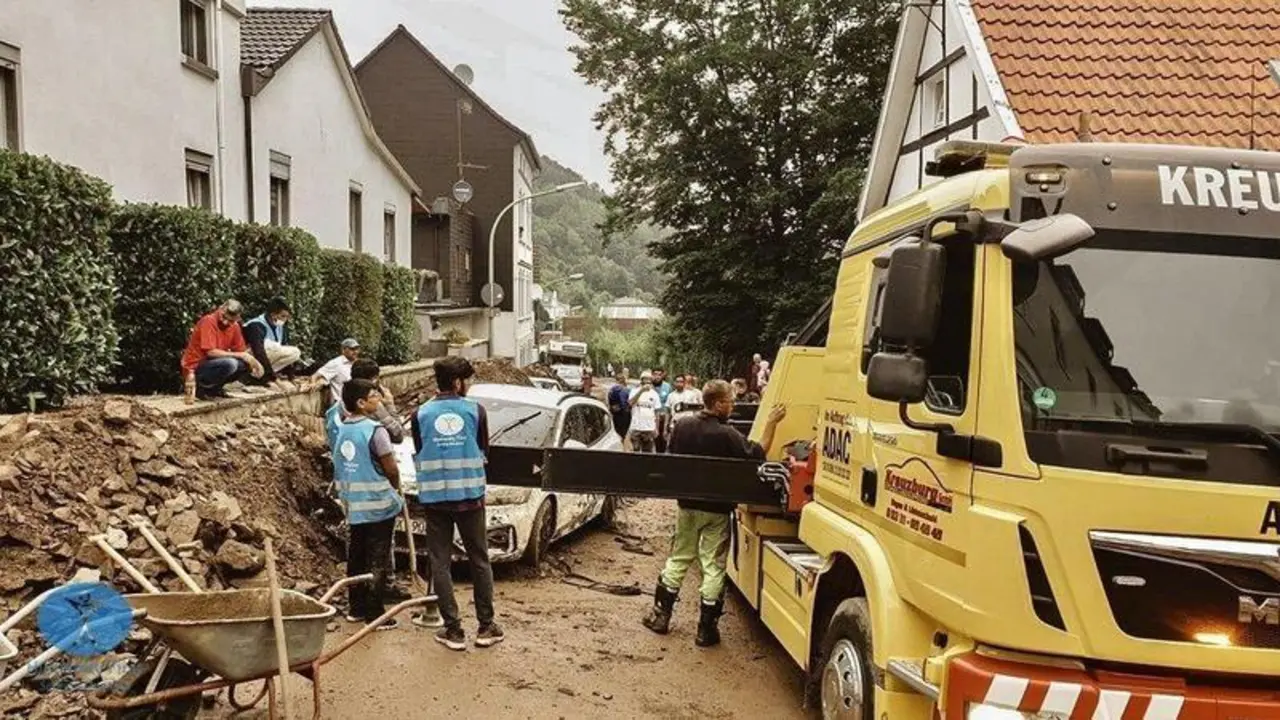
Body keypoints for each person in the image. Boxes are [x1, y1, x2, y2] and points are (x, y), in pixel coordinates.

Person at [642, 381, 787, 646]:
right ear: (718, 404)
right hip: (717, 512)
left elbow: (670, 459)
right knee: (713, 567)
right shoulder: (728, 435)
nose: (732, 406)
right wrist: (773, 422)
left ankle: (660, 616)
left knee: (679, 557)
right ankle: (705, 631)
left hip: (687, 508)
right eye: (730, 401)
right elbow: (759, 453)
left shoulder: (682, 426)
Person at [410, 356, 503, 651]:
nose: (470, 385)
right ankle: (486, 626)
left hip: (435, 499)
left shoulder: (420, 414)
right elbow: (483, 450)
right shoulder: (475, 411)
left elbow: (420, 450)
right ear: (457, 382)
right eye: (469, 379)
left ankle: (453, 630)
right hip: (470, 498)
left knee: (440, 563)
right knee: (479, 559)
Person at [333, 379, 404, 630]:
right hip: (377, 504)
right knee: (377, 558)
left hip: (353, 505)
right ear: (361, 403)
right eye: (375, 396)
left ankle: (356, 607)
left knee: (357, 555)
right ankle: (374, 613)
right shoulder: (375, 430)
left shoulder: (343, 430)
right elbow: (391, 468)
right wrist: (395, 488)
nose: (379, 400)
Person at [180, 300, 264, 402]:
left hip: (214, 363)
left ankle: (215, 388)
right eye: (224, 317)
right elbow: (210, 352)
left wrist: (254, 363)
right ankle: (202, 389)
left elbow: (241, 351)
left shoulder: (235, 326)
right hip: (196, 367)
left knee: (245, 364)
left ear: (237, 318)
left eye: (231, 321)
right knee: (230, 363)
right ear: (220, 310)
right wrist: (242, 355)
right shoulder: (208, 321)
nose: (225, 322)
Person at [242, 297, 304, 390]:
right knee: (271, 346)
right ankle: (260, 377)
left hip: (265, 360)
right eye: (283, 316)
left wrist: (291, 377)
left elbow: (284, 348)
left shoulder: (281, 327)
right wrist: (275, 380)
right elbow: (259, 352)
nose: (285, 320)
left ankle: (260, 377)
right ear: (273, 314)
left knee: (295, 352)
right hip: (249, 358)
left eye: (287, 317)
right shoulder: (256, 325)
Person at [350, 359, 406, 444]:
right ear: (374, 379)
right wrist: (389, 404)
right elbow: (398, 436)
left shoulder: (343, 401)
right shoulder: (374, 406)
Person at [312, 338, 361, 406]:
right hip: (340, 405)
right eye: (352, 349)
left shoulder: (358, 363)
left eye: (357, 349)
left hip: (356, 404)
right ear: (343, 350)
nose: (355, 352)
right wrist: (313, 383)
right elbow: (317, 374)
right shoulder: (336, 363)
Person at [628, 373, 662, 453]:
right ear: (641, 380)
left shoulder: (655, 394)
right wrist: (641, 391)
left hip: (649, 428)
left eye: (649, 379)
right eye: (645, 379)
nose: (647, 381)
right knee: (635, 451)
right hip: (636, 427)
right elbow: (630, 403)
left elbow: (657, 412)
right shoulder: (634, 391)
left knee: (647, 453)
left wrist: (656, 428)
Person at [607, 372, 632, 446]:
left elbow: (609, 401)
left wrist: (612, 409)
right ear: (623, 380)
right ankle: (621, 445)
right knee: (623, 432)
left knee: (617, 430)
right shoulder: (624, 390)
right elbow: (624, 402)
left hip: (615, 413)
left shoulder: (611, 389)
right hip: (624, 414)